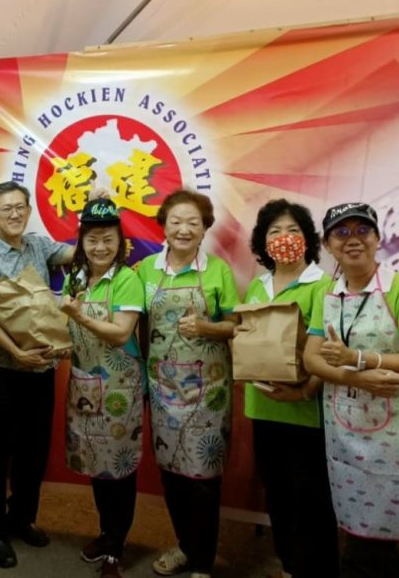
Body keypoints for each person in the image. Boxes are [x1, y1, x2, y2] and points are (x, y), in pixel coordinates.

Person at [303, 202, 399, 578]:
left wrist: (358, 358)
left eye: (362, 231)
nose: (353, 241)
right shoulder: (328, 295)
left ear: (378, 238)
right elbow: (312, 360)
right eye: (342, 233)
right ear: (328, 244)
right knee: (358, 526)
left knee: (377, 537)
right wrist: (353, 377)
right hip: (346, 433)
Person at [0, 181, 74, 569]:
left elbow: (77, 255)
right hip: (2, 368)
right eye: (5, 208)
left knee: (34, 449)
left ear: (29, 210)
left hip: (41, 368)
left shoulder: (38, 245)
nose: (14, 213)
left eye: (20, 207)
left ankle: (21, 518)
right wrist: (14, 352)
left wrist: (96, 214)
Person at [136, 189, 240, 578]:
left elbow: (235, 325)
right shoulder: (146, 270)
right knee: (172, 474)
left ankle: (202, 561)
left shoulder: (217, 271)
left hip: (207, 392)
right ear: (163, 226)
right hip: (162, 388)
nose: (183, 229)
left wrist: (206, 327)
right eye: (176, 221)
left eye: (193, 223)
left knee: (203, 479)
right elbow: (138, 323)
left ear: (204, 229)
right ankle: (184, 545)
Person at [241, 199, 339, 578]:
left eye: (293, 230)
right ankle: (289, 566)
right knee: (277, 493)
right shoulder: (257, 286)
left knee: (312, 499)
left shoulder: (323, 285)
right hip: (263, 406)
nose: (284, 238)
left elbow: (329, 351)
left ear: (308, 239)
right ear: (263, 242)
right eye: (275, 231)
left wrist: (304, 390)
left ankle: (319, 570)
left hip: (306, 410)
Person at [59, 199, 144, 578]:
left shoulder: (126, 279)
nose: (99, 247)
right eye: (92, 239)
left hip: (119, 390)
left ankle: (117, 545)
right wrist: (59, 344)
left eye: (107, 239)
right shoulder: (76, 278)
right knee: (96, 465)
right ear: (82, 241)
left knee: (119, 470)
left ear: (118, 241)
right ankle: (106, 532)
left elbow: (121, 332)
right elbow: (72, 332)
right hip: (84, 387)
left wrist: (78, 316)